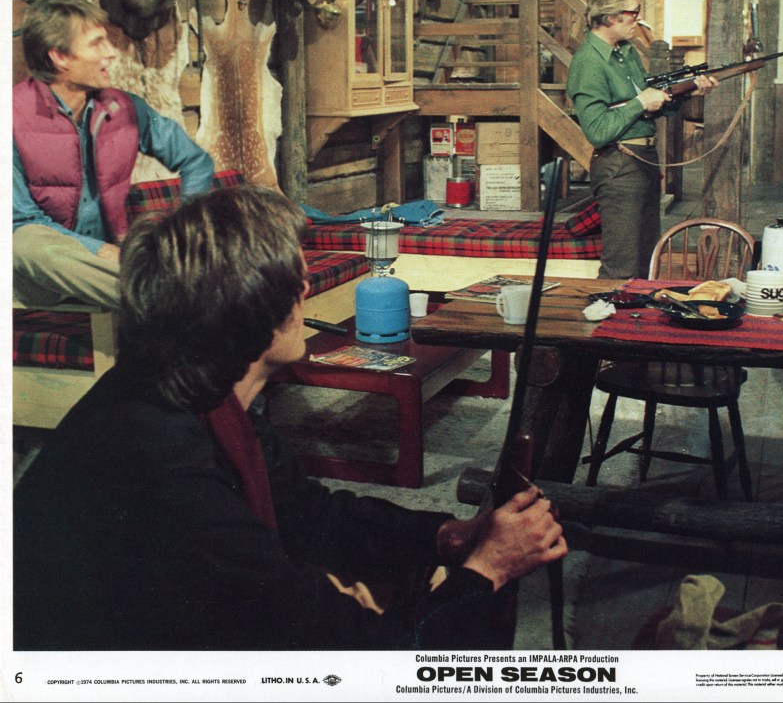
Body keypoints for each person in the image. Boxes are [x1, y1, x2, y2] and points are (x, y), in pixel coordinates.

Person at [13, 186, 567, 650]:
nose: (305, 289)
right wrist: (488, 569)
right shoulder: (164, 467)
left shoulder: (198, 386)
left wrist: (446, 537)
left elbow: (309, 513)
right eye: (293, 280)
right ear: (247, 306)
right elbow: (366, 659)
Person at [13, 0, 214, 310]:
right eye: (97, 44)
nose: (111, 53)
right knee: (25, 243)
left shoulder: (126, 108)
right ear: (60, 57)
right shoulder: (11, 116)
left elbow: (195, 161)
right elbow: (18, 221)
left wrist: (185, 231)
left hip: (110, 270)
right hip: (38, 276)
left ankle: (175, 299)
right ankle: (182, 300)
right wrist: (101, 251)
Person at [567, 0, 717, 279]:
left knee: (647, 262)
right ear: (611, 16)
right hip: (620, 165)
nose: (639, 19)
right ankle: (608, 310)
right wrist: (639, 102)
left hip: (644, 162)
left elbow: (649, 108)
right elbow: (597, 131)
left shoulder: (626, 51)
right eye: (634, 12)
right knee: (621, 267)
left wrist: (688, 92)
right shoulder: (589, 62)